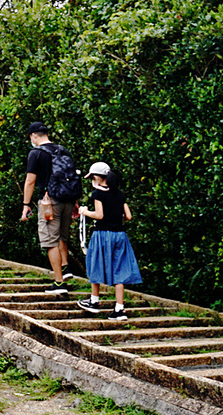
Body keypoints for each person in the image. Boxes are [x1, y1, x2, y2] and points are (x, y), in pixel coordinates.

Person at [76, 162, 142, 320]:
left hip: (102, 234)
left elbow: (99, 215)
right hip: (120, 235)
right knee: (120, 270)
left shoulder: (97, 194)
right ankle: (120, 309)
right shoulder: (120, 194)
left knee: (95, 264)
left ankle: (94, 301)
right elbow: (128, 216)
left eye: (92, 177)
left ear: (98, 178)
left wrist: (84, 211)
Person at [20, 122, 74, 294]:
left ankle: (59, 283)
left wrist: (26, 205)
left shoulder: (36, 153)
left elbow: (30, 181)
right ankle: (65, 270)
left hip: (48, 201)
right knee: (61, 236)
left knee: (50, 239)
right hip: (68, 199)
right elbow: (71, 177)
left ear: (34, 135)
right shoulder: (62, 150)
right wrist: (76, 203)